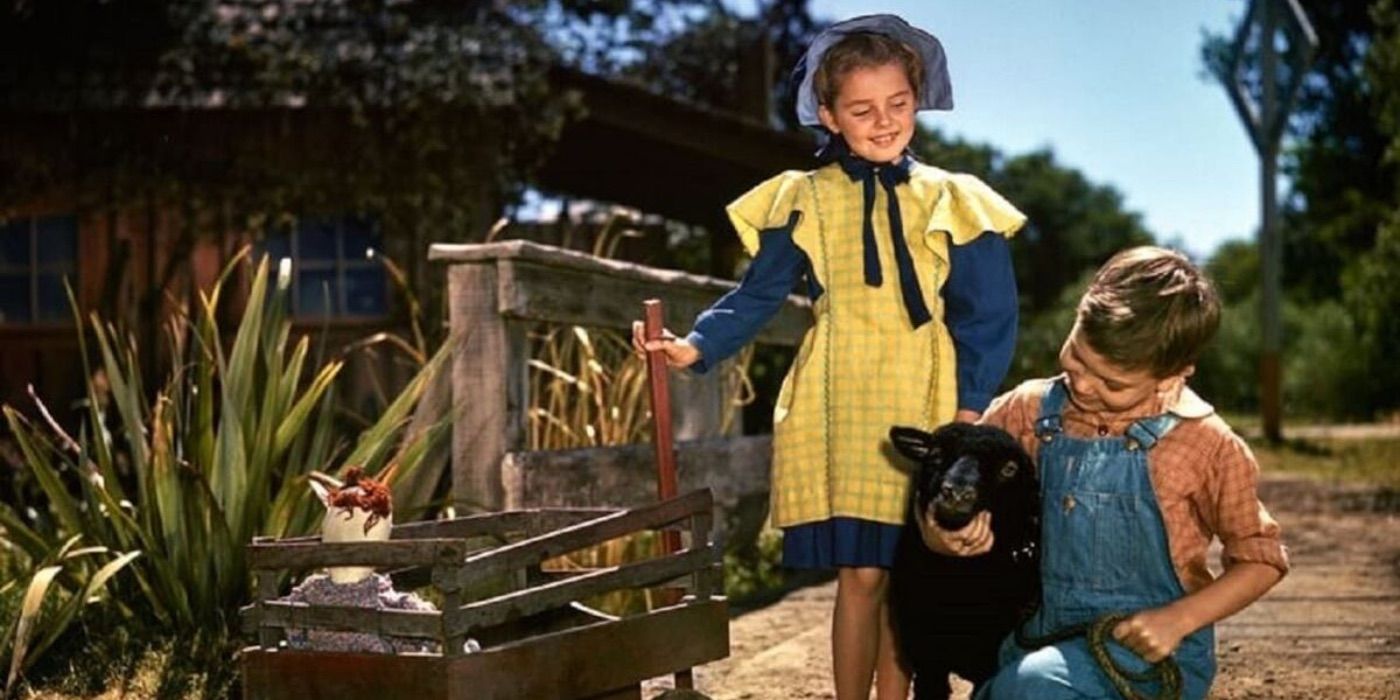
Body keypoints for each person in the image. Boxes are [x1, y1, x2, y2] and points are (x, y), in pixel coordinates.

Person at [632, 14, 1025, 699]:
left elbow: (987, 315)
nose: (884, 121)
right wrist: (695, 345)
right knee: (861, 575)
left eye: (898, 104)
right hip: (838, 400)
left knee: (910, 570)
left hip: (927, 399)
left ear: (918, 99)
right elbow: (757, 296)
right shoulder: (804, 197)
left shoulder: (952, 198)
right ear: (828, 113)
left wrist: (968, 408)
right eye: (862, 109)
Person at [965, 246, 1289, 699]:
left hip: (1150, 659)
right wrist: (948, 529)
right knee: (1006, 683)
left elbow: (1261, 559)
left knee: (1031, 688)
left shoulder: (1207, 445)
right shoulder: (1029, 411)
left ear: (1173, 374)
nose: (1081, 384)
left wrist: (1180, 619)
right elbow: (962, 472)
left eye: (1113, 384)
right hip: (1039, 637)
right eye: (1077, 357)